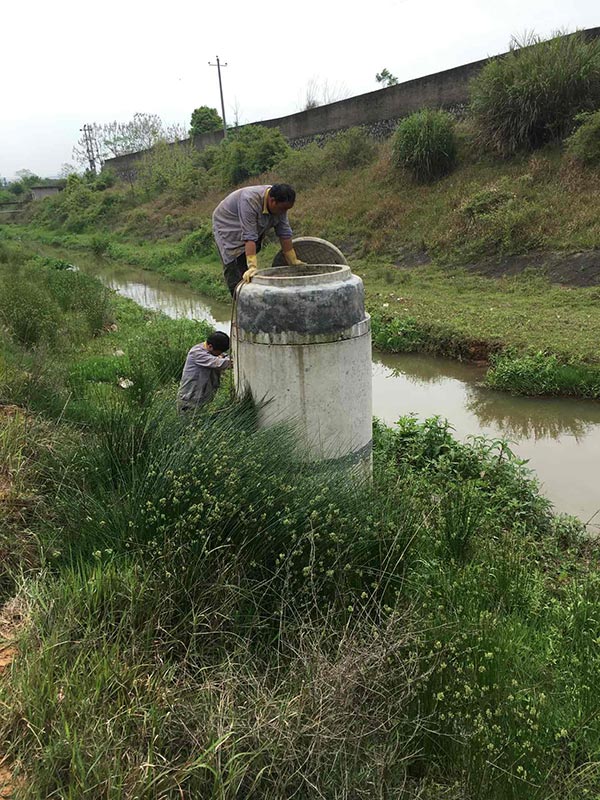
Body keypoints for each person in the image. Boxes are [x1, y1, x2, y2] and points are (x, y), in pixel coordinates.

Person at [212, 183, 304, 296]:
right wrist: (252, 267)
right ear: (272, 201)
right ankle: (240, 301)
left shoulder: (280, 205)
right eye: (282, 209)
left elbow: (284, 232)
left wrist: (292, 259)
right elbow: (249, 236)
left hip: (251, 224)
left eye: (287, 209)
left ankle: (250, 287)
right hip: (227, 225)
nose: (284, 212)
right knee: (234, 266)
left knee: (249, 253)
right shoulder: (250, 200)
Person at [177, 331, 232, 413]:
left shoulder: (212, 352)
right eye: (219, 352)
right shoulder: (197, 353)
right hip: (189, 400)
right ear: (210, 346)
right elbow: (219, 363)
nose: (220, 354)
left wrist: (223, 356)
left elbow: (223, 357)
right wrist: (236, 361)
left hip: (202, 399)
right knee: (189, 424)